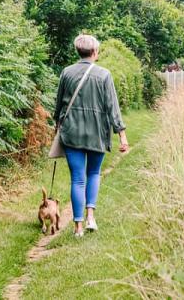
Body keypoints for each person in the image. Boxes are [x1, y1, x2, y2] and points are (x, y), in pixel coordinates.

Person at [54, 34, 129, 237]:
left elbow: (59, 104)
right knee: (94, 173)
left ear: (78, 51)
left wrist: (57, 125)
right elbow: (113, 107)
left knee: (77, 179)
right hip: (97, 133)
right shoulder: (104, 75)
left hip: (72, 133)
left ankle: (78, 227)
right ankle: (90, 218)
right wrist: (122, 135)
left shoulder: (67, 73)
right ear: (94, 52)